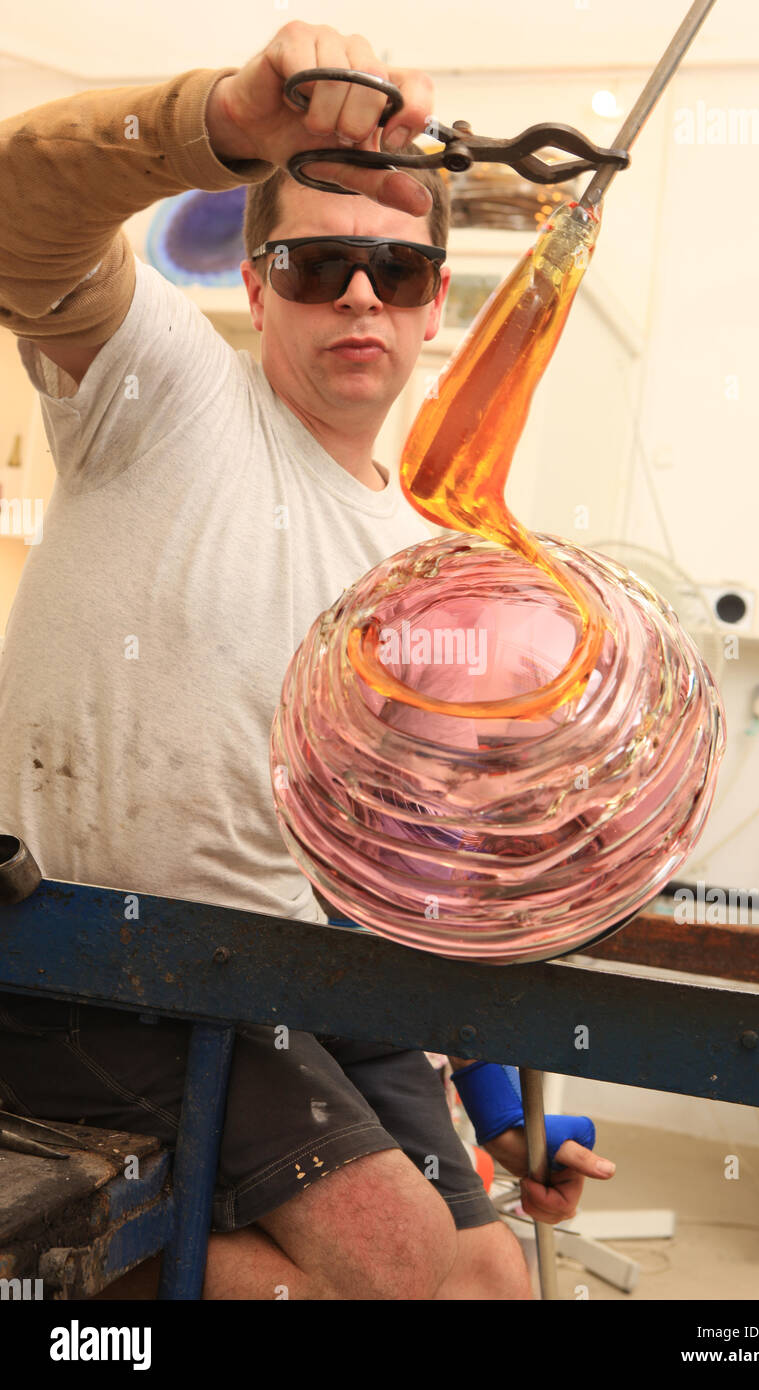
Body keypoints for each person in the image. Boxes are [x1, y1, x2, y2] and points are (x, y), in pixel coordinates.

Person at [0, 20, 614, 1299]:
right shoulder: (161, 387)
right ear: (252, 279)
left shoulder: (420, 560)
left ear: (435, 301)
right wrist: (219, 120)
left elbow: (403, 852)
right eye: (320, 260)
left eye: (394, 273)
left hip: (286, 962)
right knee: (386, 1272)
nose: (356, 295)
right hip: (93, 960)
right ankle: (59, 1299)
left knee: (493, 1281)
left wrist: (495, 1096)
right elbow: (17, 211)